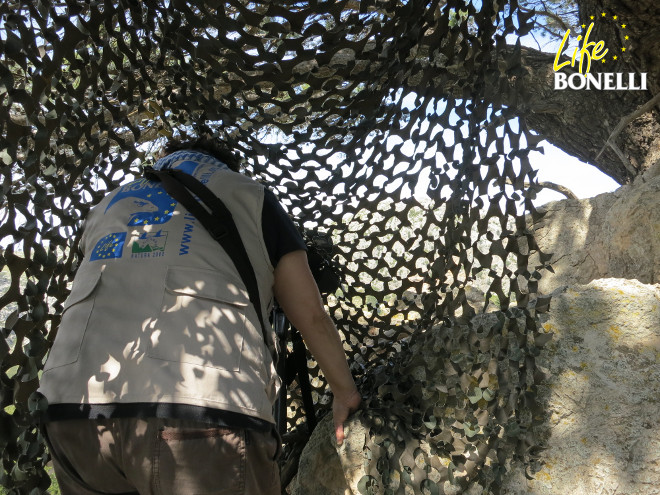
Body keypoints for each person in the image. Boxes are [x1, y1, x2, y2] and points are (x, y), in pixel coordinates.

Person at [37, 137, 361, 495]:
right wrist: (344, 392)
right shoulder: (249, 194)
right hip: (203, 411)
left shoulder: (106, 205)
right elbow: (310, 314)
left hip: (70, 410)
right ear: (225, 164)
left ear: (165, 160)